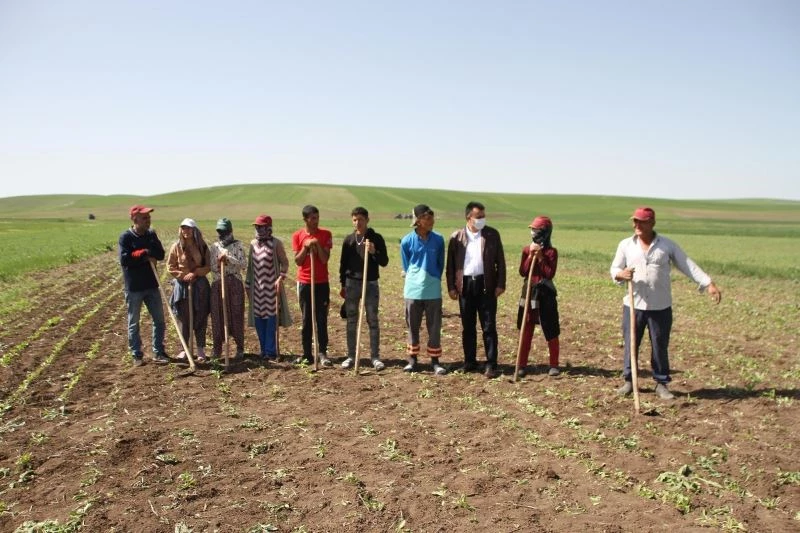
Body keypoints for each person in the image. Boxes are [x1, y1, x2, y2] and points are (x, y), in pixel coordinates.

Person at [610, 207, 722, 400]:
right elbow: (615, 267)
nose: (636, 225)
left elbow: (687, 265)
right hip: (633, 305)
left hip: (660, 306)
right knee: (631, 344)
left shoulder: (667, 246)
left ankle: (661, 383)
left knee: (660, 345)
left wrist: (708, 283)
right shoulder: (626, 245)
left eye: (641, 221)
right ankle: (629, 381)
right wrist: (620, 274)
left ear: (652, 223)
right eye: (635, 221)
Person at [446, 201, 506, 378]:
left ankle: (491, 363)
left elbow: (500, 262)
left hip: (486, 284)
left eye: (483, 216)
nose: (482, 220)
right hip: (465, 286)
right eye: (478, 217)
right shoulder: (457, 237)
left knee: (488, 326)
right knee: (468, 327)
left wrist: (501, 284)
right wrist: (451, 287)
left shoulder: (492, 235)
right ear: (468, 218)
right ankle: (470, 362)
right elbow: (450, 266)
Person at [339, 206, 389, 370]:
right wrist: (342, 285)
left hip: (371, 283)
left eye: (360, 219)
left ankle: (375, 357)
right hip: (351, 283)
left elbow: (384, 261)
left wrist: (374, 251)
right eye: (355, 220)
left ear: (367, 220)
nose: (358, 222)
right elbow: (343, 264)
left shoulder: (376, 238)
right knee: (351, 320)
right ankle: (351, 356)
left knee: (372, 320)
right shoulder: (349, 240)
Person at [400, 204, 447, 375]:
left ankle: (435, 360)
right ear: (418, 221)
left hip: (433, 289)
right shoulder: (406, 241)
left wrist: (433, 276)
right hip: (412, 289)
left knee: (434, 326)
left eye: (432, 218)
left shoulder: (439, 239)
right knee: (412, 325)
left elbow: (440, 263)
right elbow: (406, 265)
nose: (432, 221)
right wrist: (416, 277)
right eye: (428, 218)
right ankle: (412, 359)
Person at [119, 205, 168, 366]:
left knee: (159, 320)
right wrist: (145, 254)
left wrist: (146, 252)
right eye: (145, 218)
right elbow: (125, 259)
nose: (148, 221)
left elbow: (160, 254)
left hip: (151, 285)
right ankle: (136, 354)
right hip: (134, 287)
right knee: (134, 322)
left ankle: (158, 352)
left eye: (149, 218)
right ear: (135, 219)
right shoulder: (126, 237)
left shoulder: (151, 235)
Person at [515, 216, 561, 378]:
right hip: (529, 292)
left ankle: (554, 365)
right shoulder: (527, 250)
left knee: (550, 328)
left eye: (536, 230)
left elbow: (549, 273)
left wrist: (541, 257)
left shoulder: (551, 252)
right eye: (532, 230)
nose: (533, 233)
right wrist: (530, 257)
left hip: (545, 294)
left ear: (545, 232)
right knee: (526, 328)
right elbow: (523, 271)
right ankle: (521, 364)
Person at [291, 205, 334, 366]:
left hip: (322, 283)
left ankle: (322, 353)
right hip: (305, 282)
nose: (316, 221)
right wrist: (306, 247)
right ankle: (307, 354)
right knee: (306, 319)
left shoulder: (325, 235)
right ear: (305, 219)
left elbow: (324, 259)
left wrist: (317, 246)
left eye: (317, 217)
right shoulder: (298, 236)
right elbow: (298, 261)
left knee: (321, 318)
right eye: (313, 218)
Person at [246, 214, 291, 360]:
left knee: (271, 319)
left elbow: (285, 262)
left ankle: (270, 351)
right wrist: (247, 283)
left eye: (261, 227)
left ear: (268, 228)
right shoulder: (253, 244)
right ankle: (263, 349)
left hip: (271, 288)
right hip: (257, 288)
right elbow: (250, 267)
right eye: (257, 227)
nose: (259, 229)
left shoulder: (276, 243)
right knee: (259, 319)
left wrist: (281, 277)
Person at [167, 218, 212, 362]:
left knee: (200, 317)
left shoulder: (202, 246)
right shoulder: (176, 247)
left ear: (194, 230)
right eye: (183, 228)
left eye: (189, 228)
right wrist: (182, 275)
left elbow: (208, 266)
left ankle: (200, 350)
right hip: (182, 287)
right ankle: (184, 349)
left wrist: (196, 273)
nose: (186, 231)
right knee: (183, 318)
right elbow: (170, 266)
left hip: (200, 286)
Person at [209, 217, 246, 360]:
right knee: (217, 317)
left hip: (235, 282)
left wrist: (229, 258)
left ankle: (240, 348)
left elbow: (243, 264)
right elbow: (212, 267)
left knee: (236, 316)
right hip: (218, 283)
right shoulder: (214, 247)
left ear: (230, 231)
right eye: (219, 231)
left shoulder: (238, 245)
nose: (221, 234)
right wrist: (219, 263)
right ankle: (217, 349)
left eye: (224, 231)